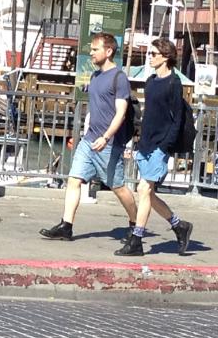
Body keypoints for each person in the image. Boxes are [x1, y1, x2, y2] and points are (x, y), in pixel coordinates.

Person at [40, 32, 137, 241]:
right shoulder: (95, 76)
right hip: (89, 139)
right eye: (91, 49)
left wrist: (106, 137)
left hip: (109, 144)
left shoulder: (119, 78)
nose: (91, 53)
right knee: (74, 179)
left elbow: (121, 112)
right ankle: (66, 226)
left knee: (118, 187)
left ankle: (135, 225)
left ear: (108, 51)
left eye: (95, 49)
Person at [117, 38, 193, 257]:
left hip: (160, 146)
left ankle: (136, 240)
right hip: (146, 143)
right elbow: (149, 114)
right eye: (149, 53)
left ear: (166, 56)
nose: (149, 57)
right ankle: (179, 226)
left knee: (143, 189)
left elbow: (176, 119)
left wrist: (165, 146)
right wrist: (139, 139)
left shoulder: (173, 83)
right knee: (148, 194)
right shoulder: (150, 81)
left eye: (153, 53)